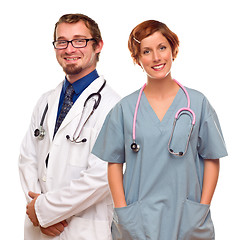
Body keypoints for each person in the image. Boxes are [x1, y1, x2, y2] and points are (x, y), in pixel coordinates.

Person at [92, 20, 228, 240]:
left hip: (187, 217)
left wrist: (202, 207)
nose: (156, 57)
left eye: (162, 48)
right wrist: (122, 210)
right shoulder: (125, 109)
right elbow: (114, 163)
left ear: (173, 49)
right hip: (138, 219)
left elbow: (212, 158)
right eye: (146, 51)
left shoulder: (197, 102)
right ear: (137, 59)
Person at [19, 13, 120, 240]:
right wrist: (36, 209)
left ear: (98, 46)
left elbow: (103, 176)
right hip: (40, 230)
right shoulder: (45, 101)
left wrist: (46, 211)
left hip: (82, 230)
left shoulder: (115, 107)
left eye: (79, 41)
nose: (69, 49)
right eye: (62, 41)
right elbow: (27, 159)